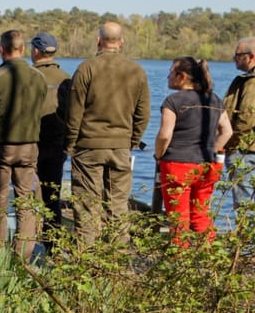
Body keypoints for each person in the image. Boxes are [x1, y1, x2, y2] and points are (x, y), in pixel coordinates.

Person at [65, 22, 150, 246]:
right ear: (121, 42)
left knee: (86, 206)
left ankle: (86, 259)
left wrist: (71, 144)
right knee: (118, 205)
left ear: (98, 41)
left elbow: (75, 112)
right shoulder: (137, 71)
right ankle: (117, 259)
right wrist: (132, 140)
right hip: (120, 147)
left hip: (88, 147)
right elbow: (143, 113)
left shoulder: (86, 68)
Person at [0, 30, 47, 261]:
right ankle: (22, 256)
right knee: (25, 201)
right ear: (23, 49)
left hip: (0, 148)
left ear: (1, 49)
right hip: (29, 146)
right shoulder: (38, 78)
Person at [155, 57, 232, 239]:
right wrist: (212, 150)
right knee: (201, 214)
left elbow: (165, 134)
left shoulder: (173, 101)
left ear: (181, 76)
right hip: (207, 165)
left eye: (171, 73)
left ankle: (180, 261)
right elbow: (227, 131)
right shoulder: (213, 99)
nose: (168, 77)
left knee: (178, 219)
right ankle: (209, 258)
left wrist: (159, 154)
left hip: (177, 164)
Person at [30, 33, 71, 235]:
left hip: (31, 143)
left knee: (27, 194)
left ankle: (25, 242)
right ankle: (52, 242)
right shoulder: (66, 77)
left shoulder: (29, 75)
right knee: (52, 194)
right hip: (57, 145)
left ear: (36, 51)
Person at [223, 37, 255, 214]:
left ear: (251, 56)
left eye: (238, 55)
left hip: (246, 151)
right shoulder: (244, 80)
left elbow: (247, 118)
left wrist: (230, 142)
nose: (234, 58)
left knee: (244, 204)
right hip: (245, 149)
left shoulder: (252, 83)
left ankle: (247, 241)